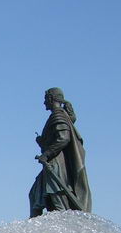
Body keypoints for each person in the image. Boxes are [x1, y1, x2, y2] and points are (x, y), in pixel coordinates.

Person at [28, 88, 91, 217]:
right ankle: (36, 232)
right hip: (52, 164)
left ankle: (67, 230)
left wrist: (46, 154)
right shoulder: (60, 115)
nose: (44, 103)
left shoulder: (58, 115)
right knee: (35, 195)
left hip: (56, 166)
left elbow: (64, 138)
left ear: (51, 99)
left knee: (58, 203)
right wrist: (42, 142)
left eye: (45, 99)